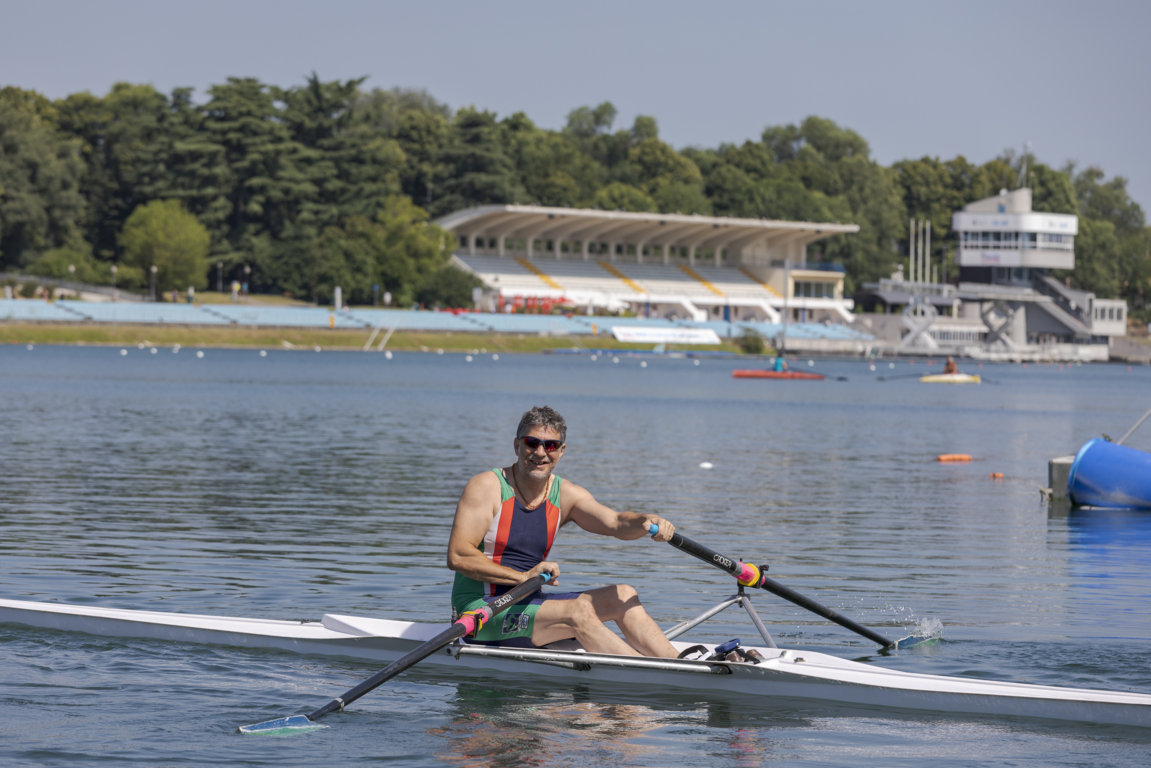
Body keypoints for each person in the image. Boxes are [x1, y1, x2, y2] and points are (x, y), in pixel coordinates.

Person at [447, 405, 679, 658]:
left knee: (623, 594)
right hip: (479, 614)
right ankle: (653, 676)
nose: (540, 453)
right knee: (576, 612)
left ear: (561, 451)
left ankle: (677, 663)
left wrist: (647, 520)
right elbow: (459, 556)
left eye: (550, 445)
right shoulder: (487, 487)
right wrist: (523, 577)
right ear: (517, 445)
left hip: (529, 605)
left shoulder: (565, 494)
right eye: (531, 443)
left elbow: (616, 523)